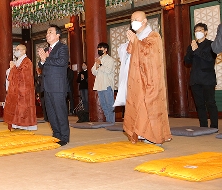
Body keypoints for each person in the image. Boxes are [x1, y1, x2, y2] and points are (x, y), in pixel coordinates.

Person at [123, 11, 172, 145]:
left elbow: (149, 54)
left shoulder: (154, 36)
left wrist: (135, 42)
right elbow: (129, 54)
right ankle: (142, 133)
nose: (133, 22)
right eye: (131, 19)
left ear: (144, 21)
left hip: (150, 79)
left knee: (150, 107)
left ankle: (154, 136)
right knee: (139, 106)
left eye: (136, 19)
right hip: (138, 79)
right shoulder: (138, 37)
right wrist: (133, 42)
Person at [38, 24, 70, 146]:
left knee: (60, 111)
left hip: (57, 85)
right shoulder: (47, 50)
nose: (47, 35)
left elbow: (62, 62)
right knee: (51, 113)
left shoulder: (62, 47)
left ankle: (64, 136)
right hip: (47, 85)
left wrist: (46, 59)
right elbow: (42, 66)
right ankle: (56, 134)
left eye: (50, 32)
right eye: (47, 33)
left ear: (58, 35)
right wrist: (42, 61)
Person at [184, 23, 218, 129]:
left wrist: (197, 50)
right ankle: (203, 126)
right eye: (196, 31)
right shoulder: (192, 45)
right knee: (199, 104)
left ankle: (214, 126)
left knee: (210, 103)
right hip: (195, 79)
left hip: (207, 79)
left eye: (200, 30)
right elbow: (186, 61)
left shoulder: (211, 45)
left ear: (206, 32)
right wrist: (192, 50)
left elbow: (210, 59)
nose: (198, 32)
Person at [4, 44, 37, 130]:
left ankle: (24, 125)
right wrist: (12, 68)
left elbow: (23, 75)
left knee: (23, 108)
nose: (16, 51)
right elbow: (11, 73)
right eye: (15, 49)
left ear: (23, 51)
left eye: (18, 49)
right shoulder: (18, 61)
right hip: (16, 89)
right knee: (15, 108)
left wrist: (13, 68)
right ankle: (16, 125)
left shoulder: (27, 62)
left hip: (24, 89)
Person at [91, 42, 116, 123]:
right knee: (103, 105)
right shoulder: (99, 60)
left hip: (107, 85)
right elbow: (93, 72)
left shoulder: (110, 60)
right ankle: (108, 122)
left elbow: (108, 71)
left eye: (100, 48)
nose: (99, 50)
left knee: (110, 105)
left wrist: (100, 64)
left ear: (105, 49)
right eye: (98, 48)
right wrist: (97, 65)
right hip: (99, 85)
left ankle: (111, 122)